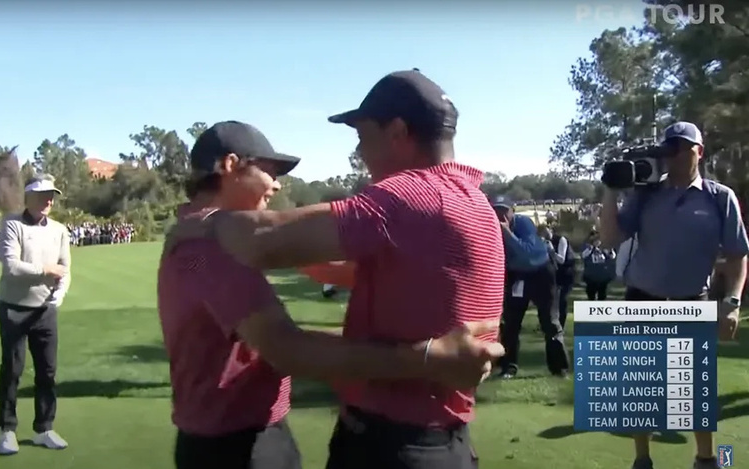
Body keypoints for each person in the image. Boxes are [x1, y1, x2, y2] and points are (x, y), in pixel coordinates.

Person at [166, 70, 506, 469]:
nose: (360, 151)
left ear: (397, 132)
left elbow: (264, 246)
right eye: (270, 172)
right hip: (445, 444)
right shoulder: (473, 201)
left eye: (363, 136)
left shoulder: (410, 194)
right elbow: (350, 269)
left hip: (390, 447)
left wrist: (203, 224)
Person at [598, 121, 748, 469]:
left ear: (700, 151)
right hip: (643, 298)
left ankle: (708, 459)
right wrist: (609, 191)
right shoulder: (646, 194)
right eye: (670, 148)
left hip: (690, 301)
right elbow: (609, 238)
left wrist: (733, 301)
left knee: (694, 390)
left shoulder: (719, 197)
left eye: (683, 148)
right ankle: (642, 460)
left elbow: (738, 254)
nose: (676, 155)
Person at [0, 174, 71, 455]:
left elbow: (65, 268)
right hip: (14, 308)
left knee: (47, 371)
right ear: (29, 197)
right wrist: (45, 271)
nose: (49, 200)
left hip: (45, 310)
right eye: (43, 195)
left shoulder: (59, 230)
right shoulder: (12, 224)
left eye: (52, 195)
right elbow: (11, 267)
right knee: (13, 369)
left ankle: (44, 428)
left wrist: (57, 297)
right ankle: (7, 429)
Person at [492, 196, 569, 379]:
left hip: (541, 271)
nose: (500, 214)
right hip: (517, 275)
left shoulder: (523, 223)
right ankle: (508, 368)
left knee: (550, 322)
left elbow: (526, 252)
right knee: (510, 324)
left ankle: (559, 369)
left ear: (512, 212)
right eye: (496, 210)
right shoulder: (489, 226)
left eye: (505, 210)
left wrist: (506, 233)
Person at [549, 227, 577, 328]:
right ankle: (551, 323)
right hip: (554, 274)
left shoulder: (561, 240)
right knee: (551, 300)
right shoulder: (546, 241)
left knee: (562, 300)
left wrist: (551, 251)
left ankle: (561, 324)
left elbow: (561, 259)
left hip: (566, 274)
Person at [581, 231, 616, 300]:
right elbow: (584, 255)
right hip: (591, 275)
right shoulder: (587, 248)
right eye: (595, 240)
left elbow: (612, 256)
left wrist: (609, 249)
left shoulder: (604, 248)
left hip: (602, 275)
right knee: (591, 294)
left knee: (602, 295)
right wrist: (592, 248)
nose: (597, 241)